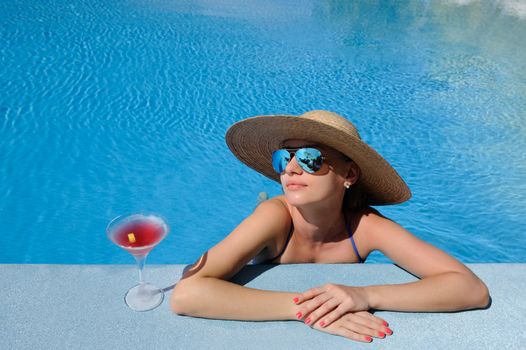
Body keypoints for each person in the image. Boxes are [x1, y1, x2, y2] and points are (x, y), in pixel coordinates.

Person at [170, 110, 489, 343]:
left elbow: (470, 289)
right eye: (285, 158)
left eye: (310, 158)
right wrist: (311, 311)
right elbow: (187, 293)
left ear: (348, 175)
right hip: (273, 226)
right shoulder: (274, 218)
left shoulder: (364, 226)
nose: (291, 168)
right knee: (264, 207)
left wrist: (364, 295)